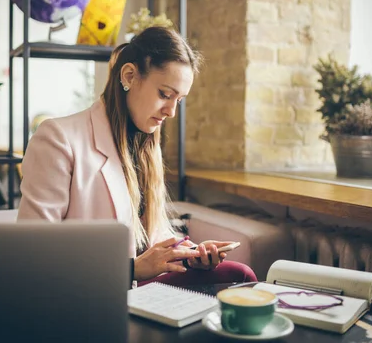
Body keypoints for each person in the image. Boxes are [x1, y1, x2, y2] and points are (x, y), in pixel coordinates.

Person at [18, 26, 257, 287]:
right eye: (165, 94)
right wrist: (130, 268)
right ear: (130, 76)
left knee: (239, 274)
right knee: (238, 278)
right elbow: (33, 253)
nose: (171, 111)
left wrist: (190, 253)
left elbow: (150, 234)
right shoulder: (58, 138)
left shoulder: (145, 142)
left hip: (138, 281)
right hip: (95, 286)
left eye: (179, 100)